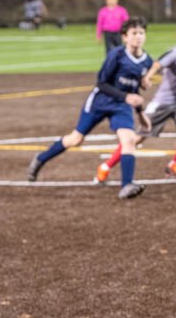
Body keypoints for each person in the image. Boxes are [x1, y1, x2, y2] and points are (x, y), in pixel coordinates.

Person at [26, 18, 151, 200]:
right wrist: (126, 97)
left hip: (121, 107)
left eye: (141, 33)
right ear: (124, 37)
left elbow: (134, 91)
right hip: (100, 101)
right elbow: (101, 83)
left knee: (129, 140)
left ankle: (126, 186)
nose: (138, 37)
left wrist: (141, 112)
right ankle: (41, 158)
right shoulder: (116, 55)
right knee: (75, 139)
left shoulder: (147, 61)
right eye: (134, 33)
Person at [97, 16, 176, 184]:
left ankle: (175, 164)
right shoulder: (175, 53)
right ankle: (106, 166)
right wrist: (147, 77)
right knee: (137, 138)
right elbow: (157, 64)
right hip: (163, 103)